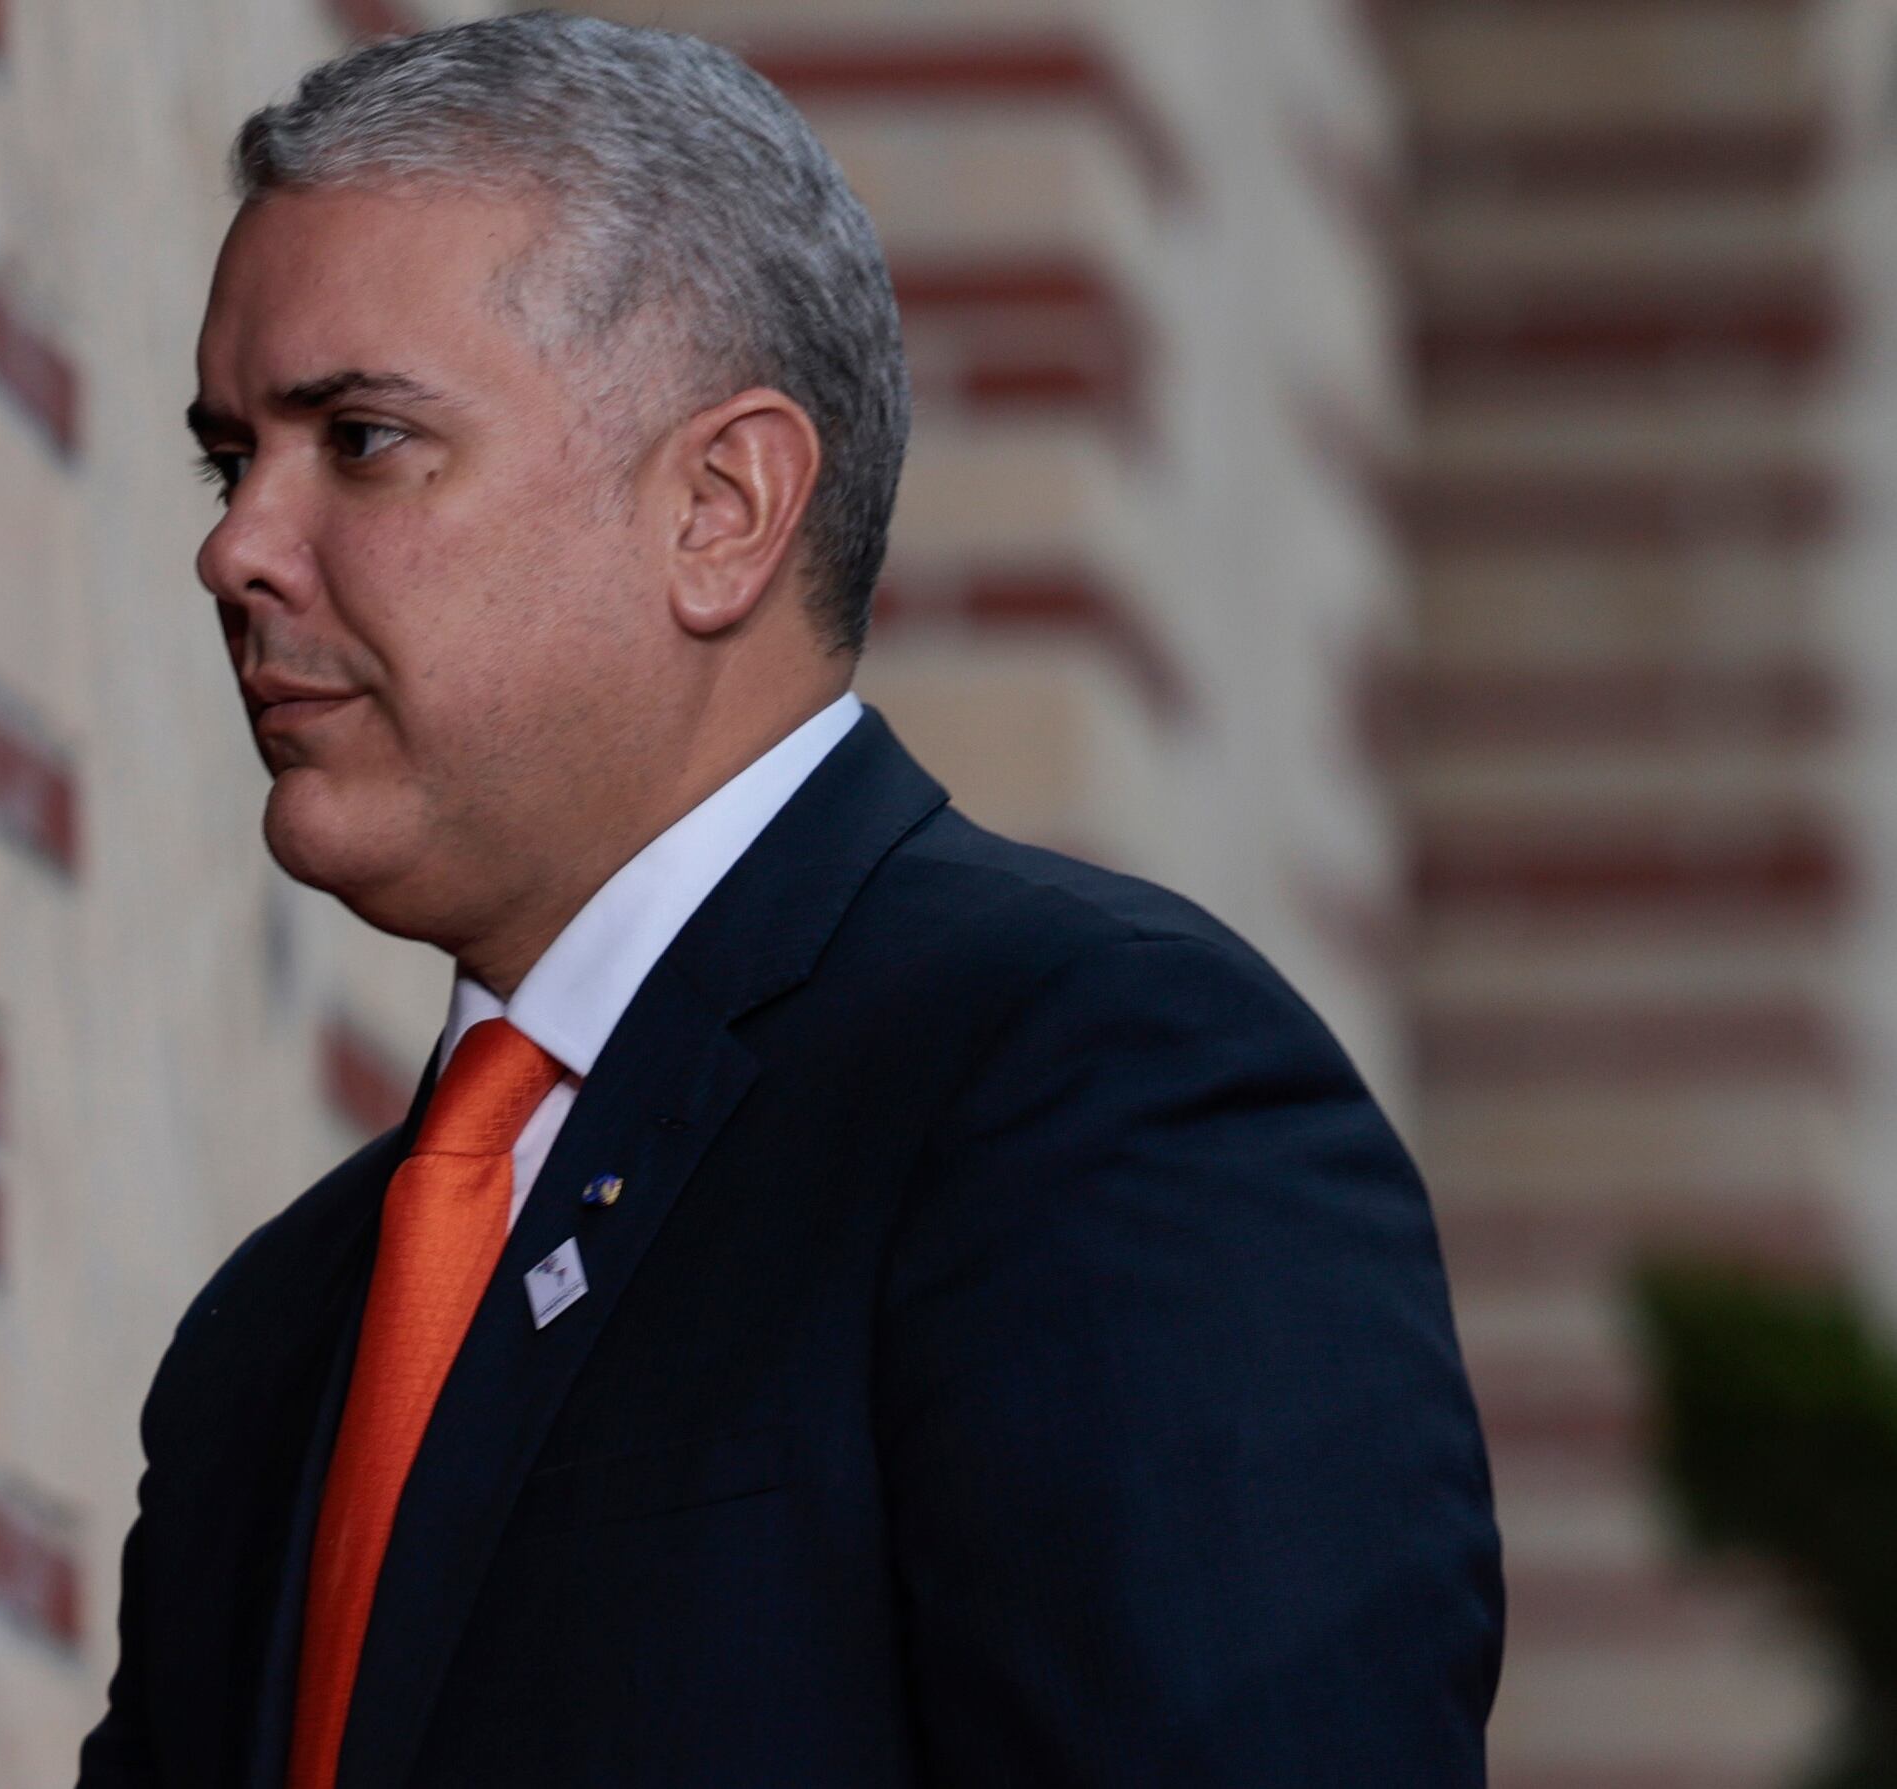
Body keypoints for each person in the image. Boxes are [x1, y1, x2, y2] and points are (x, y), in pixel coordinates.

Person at [79, 13, 1503, 1786]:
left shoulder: (1085, 1085)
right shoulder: (270, 1335)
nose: (237, 545)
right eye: (234, 458)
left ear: (721, 509)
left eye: (359, 440)